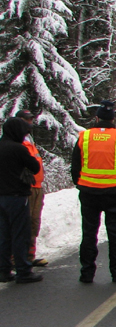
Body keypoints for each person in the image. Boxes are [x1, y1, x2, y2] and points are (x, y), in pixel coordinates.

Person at [71, 100, 116, 283]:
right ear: (113, 120)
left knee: (89, 233)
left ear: (96, 118)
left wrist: (81, 184)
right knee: (115, 233)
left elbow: (75, 166)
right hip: (113, 193)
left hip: (88, 193)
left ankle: (86, 273)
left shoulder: (84, 137)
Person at [0, 117, 43, 284]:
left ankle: (3, 270)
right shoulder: (19, 149)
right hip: (17, 196)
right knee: (20, 234)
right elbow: (34, 166)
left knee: (3, 235)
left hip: (1, 196)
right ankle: (23, 271)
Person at [16, 110, 48, 267]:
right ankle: (16, 258)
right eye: (26, 120)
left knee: (34, 222)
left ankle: (29, 255)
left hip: (37, 187)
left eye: (30, 119)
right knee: (24, 223)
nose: (30, 122)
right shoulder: (19, 142)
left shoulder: (30, 140)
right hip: (27, 188)